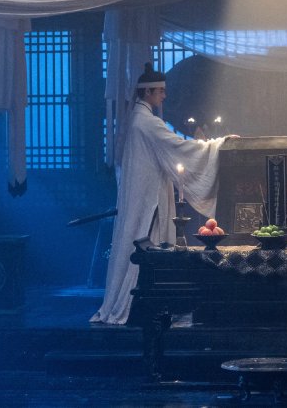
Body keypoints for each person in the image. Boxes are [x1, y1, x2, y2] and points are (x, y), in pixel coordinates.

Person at [90, 63, 230, 325]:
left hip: (146, 191)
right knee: (151, 244)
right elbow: (178, 147)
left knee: (148, 242)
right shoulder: (147, 123)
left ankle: (146, 303)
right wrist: (216, 145)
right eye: (161, 91)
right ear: (148, 92)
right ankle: (144, 304)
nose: (164, 96)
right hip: (148, 196)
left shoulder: (138, 119)